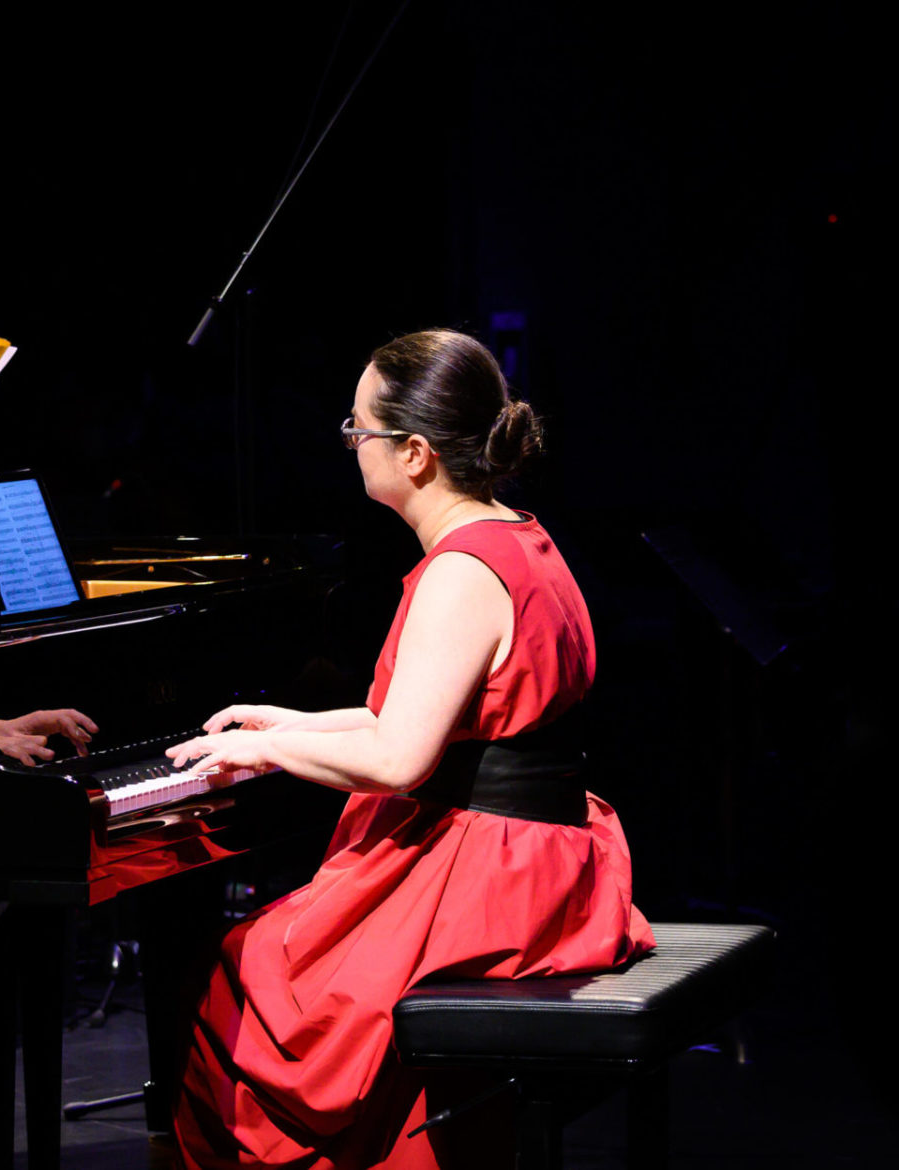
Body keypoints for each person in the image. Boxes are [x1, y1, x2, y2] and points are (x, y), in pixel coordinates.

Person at [163, 330, 653, 1169]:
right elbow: (436, 720)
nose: (351, 444)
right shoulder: (518, 535)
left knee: (257, 977)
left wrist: (275, 752)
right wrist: (282, 723)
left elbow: (400, 760)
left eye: (359, 429)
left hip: (495, 874)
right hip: (548, 852)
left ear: (416, 453)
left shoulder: (461, 571)